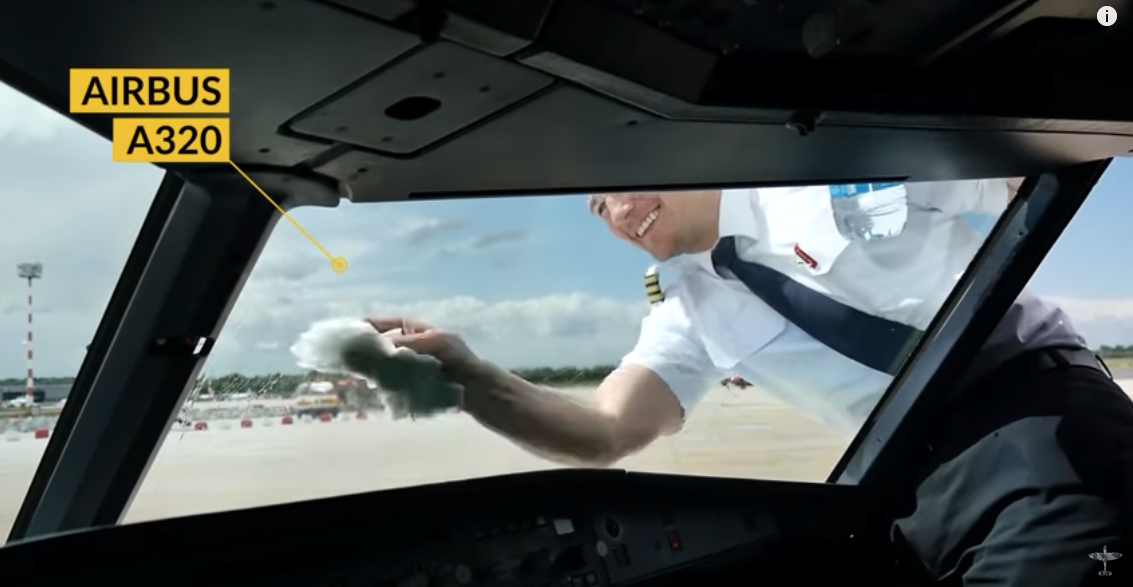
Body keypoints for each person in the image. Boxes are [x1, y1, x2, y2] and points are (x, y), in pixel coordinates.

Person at [367, 180, 1131, 586]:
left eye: (620, 184)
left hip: (1040, 428)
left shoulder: (831, 162)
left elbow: (1009, 172)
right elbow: (603, 429)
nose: (618, 211)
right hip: (908, 489)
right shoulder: (688, 309)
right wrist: (467, 379)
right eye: (597, 204)